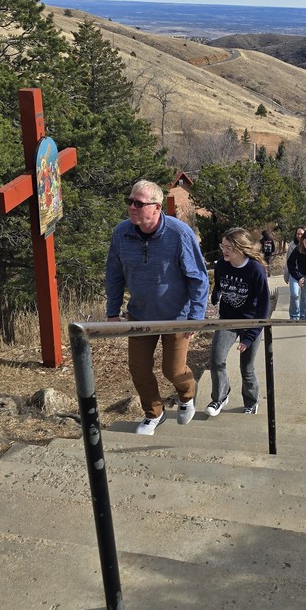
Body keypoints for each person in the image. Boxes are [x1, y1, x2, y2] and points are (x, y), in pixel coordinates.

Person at [105, 179, 209, 434]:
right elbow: (114, 274)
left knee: (173, 370)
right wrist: (112, 311)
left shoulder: (178, 233)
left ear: (156, 207)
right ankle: (154, 413)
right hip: (140, 314)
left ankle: (187, 393)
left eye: (138, 203)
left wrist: (195, 316)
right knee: (138, 368)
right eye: (129, 201)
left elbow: (198, 277)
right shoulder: (121, 233)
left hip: (177, 316)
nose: (131, 207)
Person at [206, 228, 271, 417]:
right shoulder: (221, 265)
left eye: (229, 248)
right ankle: (220, 396)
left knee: (247, 366)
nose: (224, 251)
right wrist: (216, 295)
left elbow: (263, 307)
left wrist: (250, 336)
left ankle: (251, 401)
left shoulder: (255, 270)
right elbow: (219, 284)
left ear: (241, 249)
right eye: (223, 246)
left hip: (251, 321)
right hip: (227, 320)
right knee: (216, 359)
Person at [282, 225, 306, 320]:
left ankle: (303, 316)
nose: (299, 236)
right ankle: (294, 315)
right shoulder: (292, 245)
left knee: (304, 296)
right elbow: (288, 261)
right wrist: (286, 276)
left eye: (301, 234)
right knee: (294, 295)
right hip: (294, 273)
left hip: (305, 273)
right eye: (298, 234)